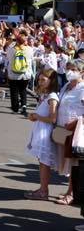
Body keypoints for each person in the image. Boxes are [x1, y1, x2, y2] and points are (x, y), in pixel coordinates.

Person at [24, 69, 60, 200]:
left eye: (43, 80)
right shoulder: (46, 95)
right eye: (39, 79)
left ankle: (44, 191)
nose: (40, 82)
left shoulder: (52, 97)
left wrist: (37, 116)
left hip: (46, 132)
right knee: (42, 161)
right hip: (40, 129)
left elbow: (53, 118)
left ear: (51, 81)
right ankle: (42, 188)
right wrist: (35, 117)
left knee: (44, 161)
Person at [52, 59, 84, 206]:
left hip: (75, 130)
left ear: (81, 72)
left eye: (73, 69)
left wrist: (75, 122)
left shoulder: (82, 88)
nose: (69, 71)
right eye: (68, 68)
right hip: (62, 129)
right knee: (65, 162)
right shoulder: (66, 85)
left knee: (73, 162)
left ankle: (71, 194)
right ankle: (69, 191)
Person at [6, 32, 33, 114]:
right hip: (25, 74)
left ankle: (15, 108)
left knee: (14, 91)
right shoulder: (29, 49)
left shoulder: (11, 49)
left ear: (17, 41)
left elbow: (9, 58)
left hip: (14, 74)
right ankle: (24, 105)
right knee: (23, 90)